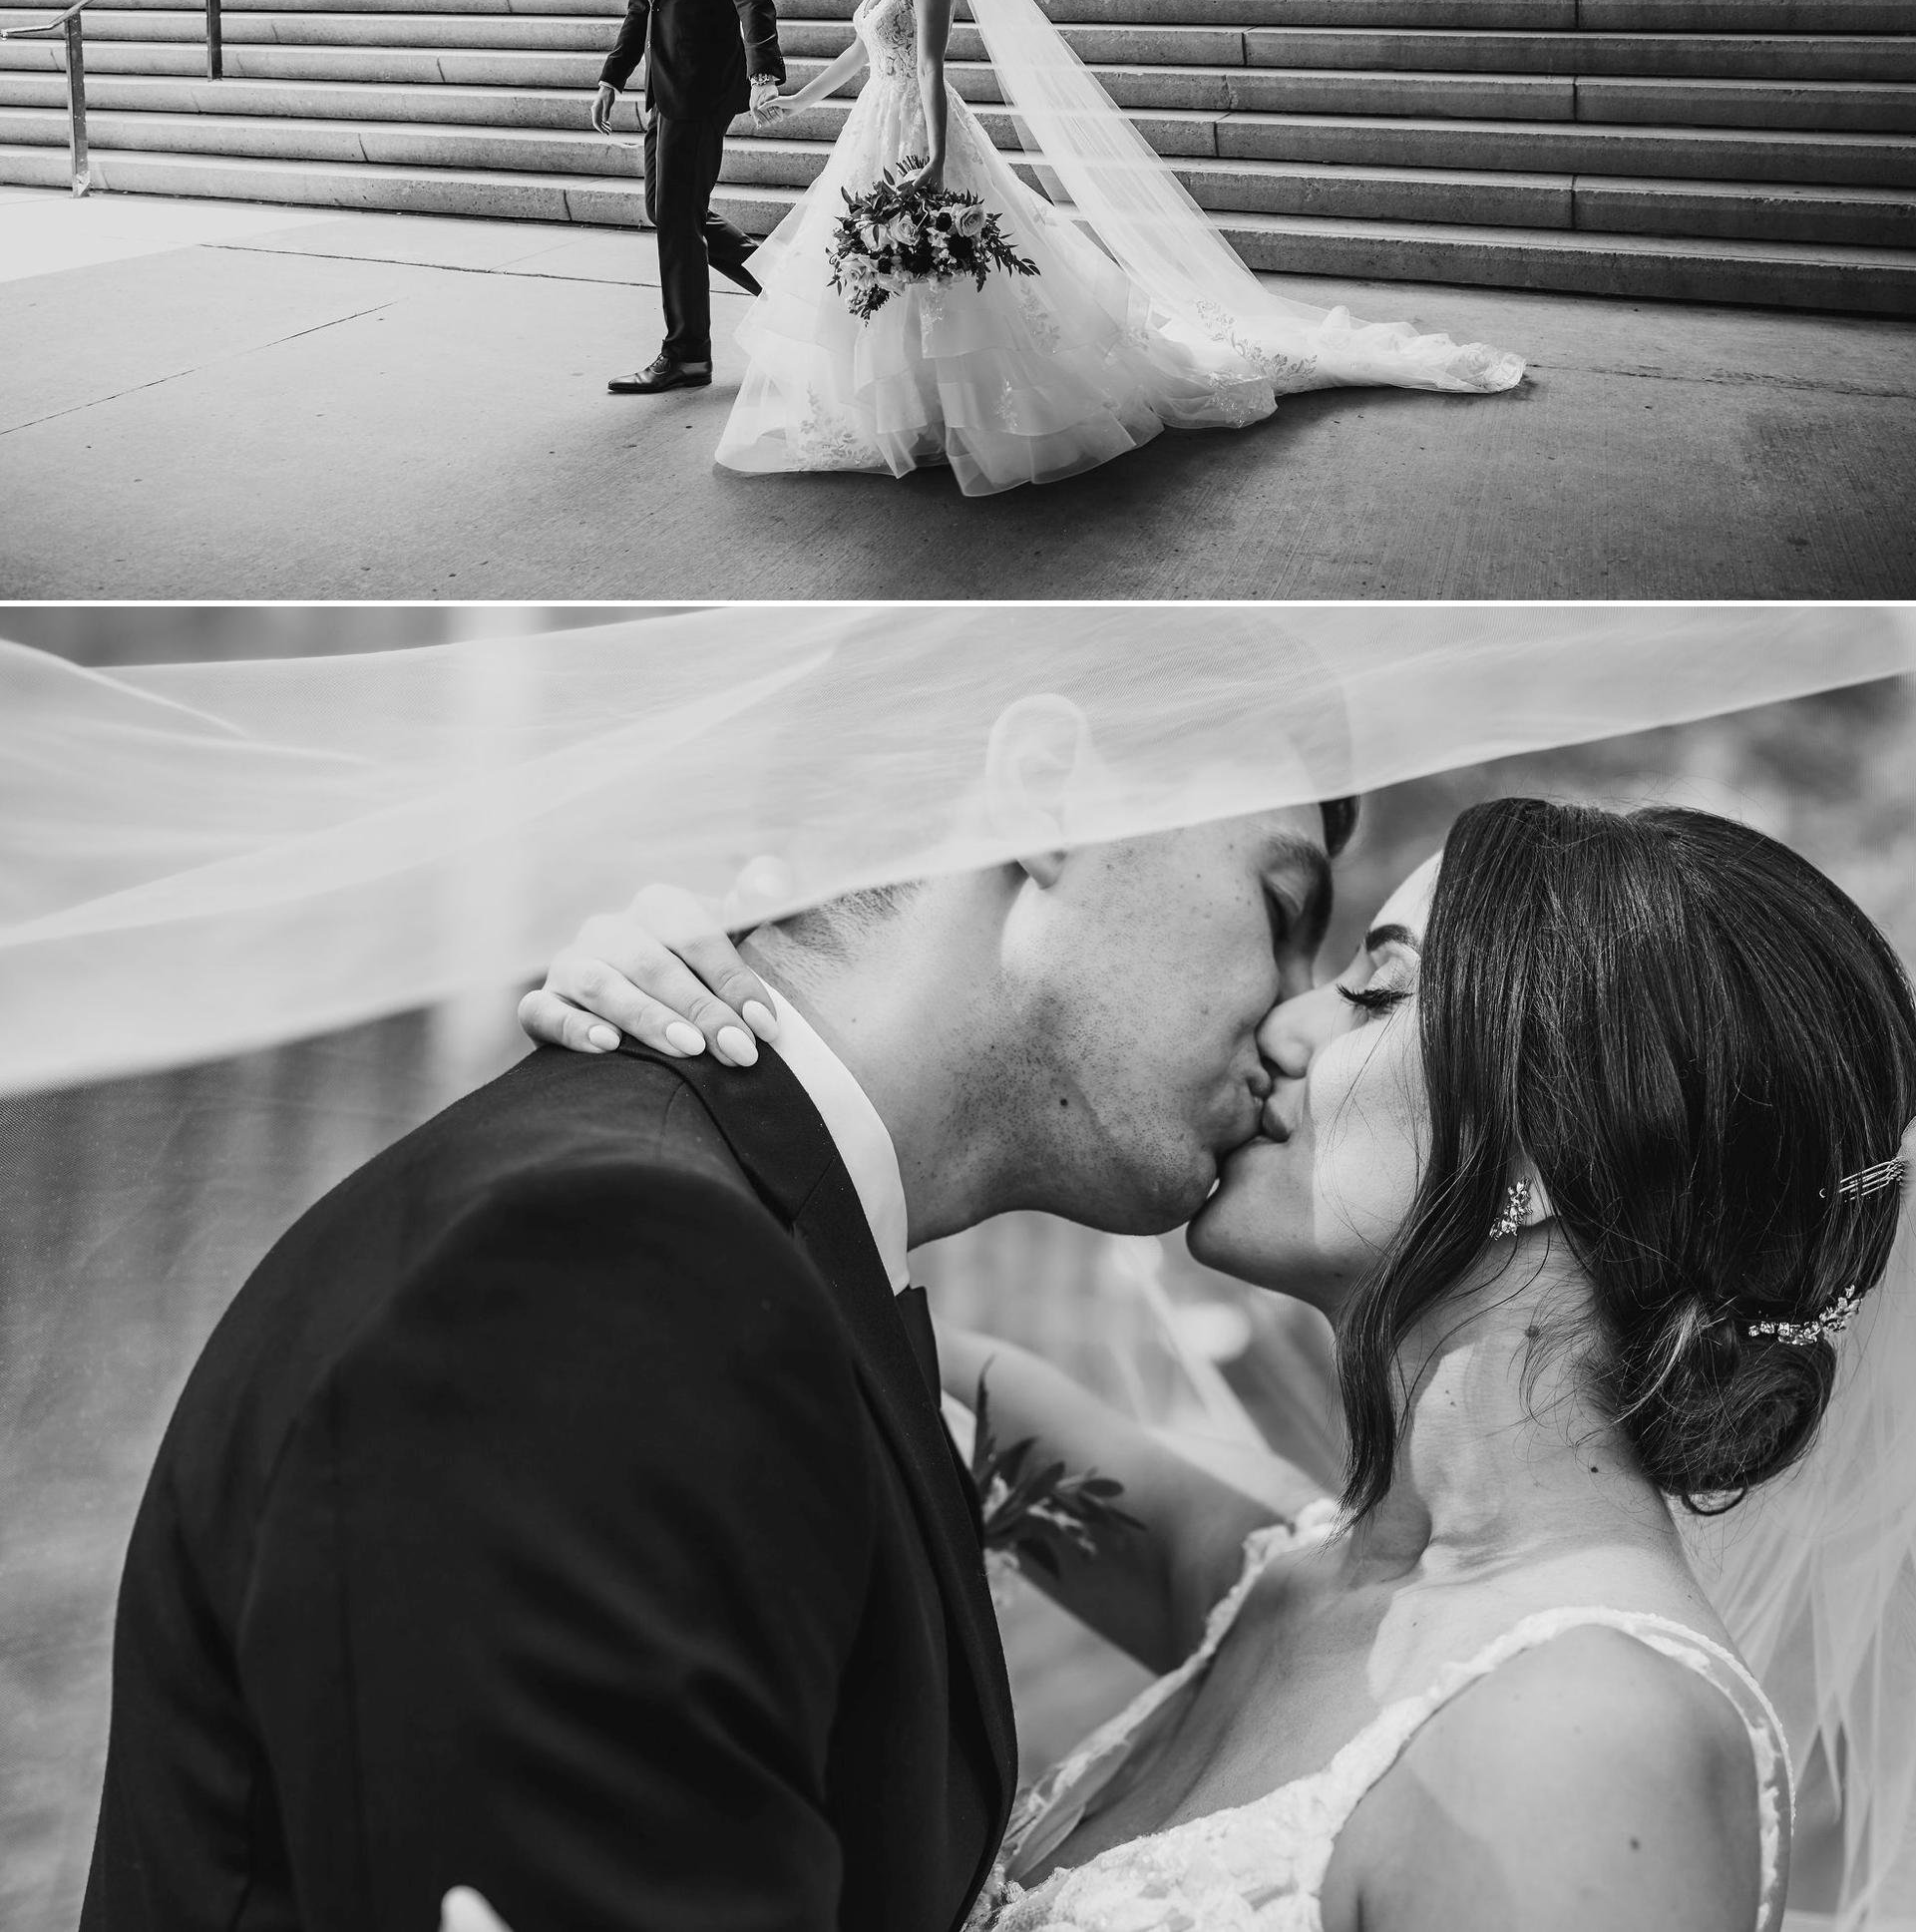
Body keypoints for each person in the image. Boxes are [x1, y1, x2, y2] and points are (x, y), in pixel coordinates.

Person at [527, 791, 1916, 1932]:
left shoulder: (1590, 1742)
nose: (1279, 1022)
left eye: (1374, 989)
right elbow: (831, 1331)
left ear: (1549, 1157)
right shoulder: (1267, 1575)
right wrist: (716, 1018)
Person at [78, 783, 1352, 1932]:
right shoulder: (611, 1267)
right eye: (1282, 903)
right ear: (1044, 799)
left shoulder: (744, 1261)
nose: (1299, 1006)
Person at [714, 0, 1523, 496]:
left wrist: (930, 152)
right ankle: (912, 413)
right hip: (871, 124)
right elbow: (864, 51)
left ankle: (964, 416)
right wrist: (797, 99)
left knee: (948, 273)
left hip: (917, 126)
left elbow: (927, 64)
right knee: (890, 274)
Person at [591, 0, 784, 396]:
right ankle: (786, 285)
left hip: (702, 90)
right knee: (671, 209)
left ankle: (687, 356)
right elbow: (640, 5)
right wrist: (613, 76)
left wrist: (763, 71)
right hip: (661, 87)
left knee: (676, 215)